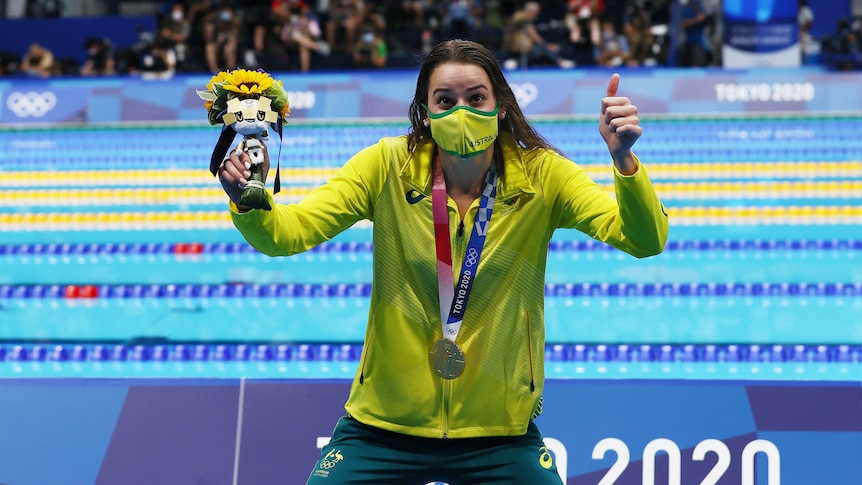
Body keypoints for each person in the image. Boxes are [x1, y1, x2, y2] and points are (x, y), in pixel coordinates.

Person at [216, 39, 667, 484]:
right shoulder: (386, 167)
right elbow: (288, 234)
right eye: (445, 101)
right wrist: (250, 204)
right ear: (425, 113)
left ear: (501, 106)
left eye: (476, 98)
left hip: (499, 435)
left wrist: (624, 160)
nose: (462, 112)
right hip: (383, 429)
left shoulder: (542, 178)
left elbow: (644, 240)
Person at [502, 1, 576, 69]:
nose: (537, 15)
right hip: (516, 45)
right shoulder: (521, 17)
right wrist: (547, 45)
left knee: (541, 50)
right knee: (543, 49)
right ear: (531, 11)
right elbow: (534, 36)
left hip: (524, 44)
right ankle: (560, 62)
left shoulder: (522, 15)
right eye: (536, 12)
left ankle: (515, 62)